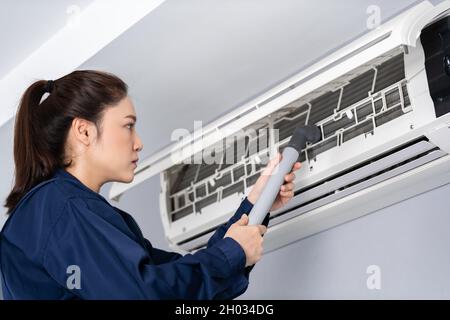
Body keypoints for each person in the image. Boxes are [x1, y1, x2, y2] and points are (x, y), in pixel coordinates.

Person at [0, 70, 301, 299]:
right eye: (128, 126)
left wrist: (254, 204)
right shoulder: (61, 208)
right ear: (84, 131)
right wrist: (232, 252)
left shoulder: (73, 213)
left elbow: (182, 285)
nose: (139, 143)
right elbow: (146, 294)